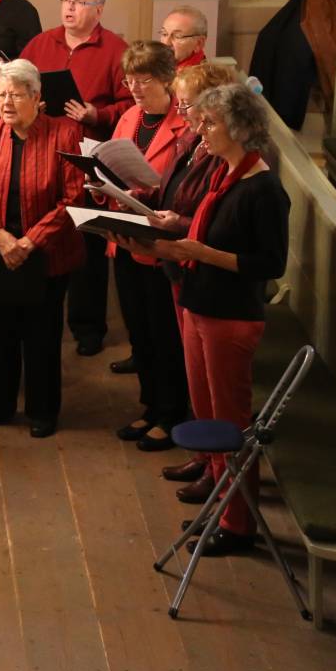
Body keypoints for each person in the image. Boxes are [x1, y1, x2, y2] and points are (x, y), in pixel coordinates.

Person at [144, 84, 288, 557]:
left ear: (240, 128)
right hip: (200, 303)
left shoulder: (263, 189)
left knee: (231, 422)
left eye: (210, 123)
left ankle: (237, 523)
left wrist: (201, 253)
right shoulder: (225, 175)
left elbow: (269, 265)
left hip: (231, 317)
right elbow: (203, 235)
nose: (200, 130)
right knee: (205, 407)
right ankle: (213, 480)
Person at [0, 59, 87, 438]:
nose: (7, 102)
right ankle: (0, 402)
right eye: (2, 94)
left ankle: (42, 409)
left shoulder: (64, 135)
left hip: (45, 254)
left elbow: (73, 197)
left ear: (36, 97)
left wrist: (30, 241)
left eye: (16, 94)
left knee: (41, 337)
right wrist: (0, 237)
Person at [18, 0, 130, 357]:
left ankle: (88, 327)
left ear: (98, 10)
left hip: (88, 157)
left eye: (79, 3)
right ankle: (39, 312)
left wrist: (97, 113)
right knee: (44, 231)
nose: (68, 8)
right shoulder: (41, 42)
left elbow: (132, 107)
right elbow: (19, 80)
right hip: (42, 152)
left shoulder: (115, 49)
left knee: (87, 244)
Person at [142, 60, 236, 497]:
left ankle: (219, 473)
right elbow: (179, 190)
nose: (185, 116)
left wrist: (177, 220)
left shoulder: (229, 159)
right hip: (183, 265)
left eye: (189, 106)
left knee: (217, 391)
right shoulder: (194, 141)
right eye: (181, 107)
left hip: (210, 281)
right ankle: (205, 460)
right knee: (195, 375)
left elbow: (211, 218)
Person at [98, 42, 187, 451]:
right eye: (129, 80)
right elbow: (114, 168)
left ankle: (172, 415)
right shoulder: (130, 117)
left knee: (164, 334)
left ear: (167, 80)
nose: (133, 88)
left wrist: (146, 192)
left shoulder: (185, 124)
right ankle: (150, 406)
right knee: (139, 333)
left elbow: (184, 190)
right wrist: (104, 187)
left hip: (161, 245)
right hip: (126, 238)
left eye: (144, 81)